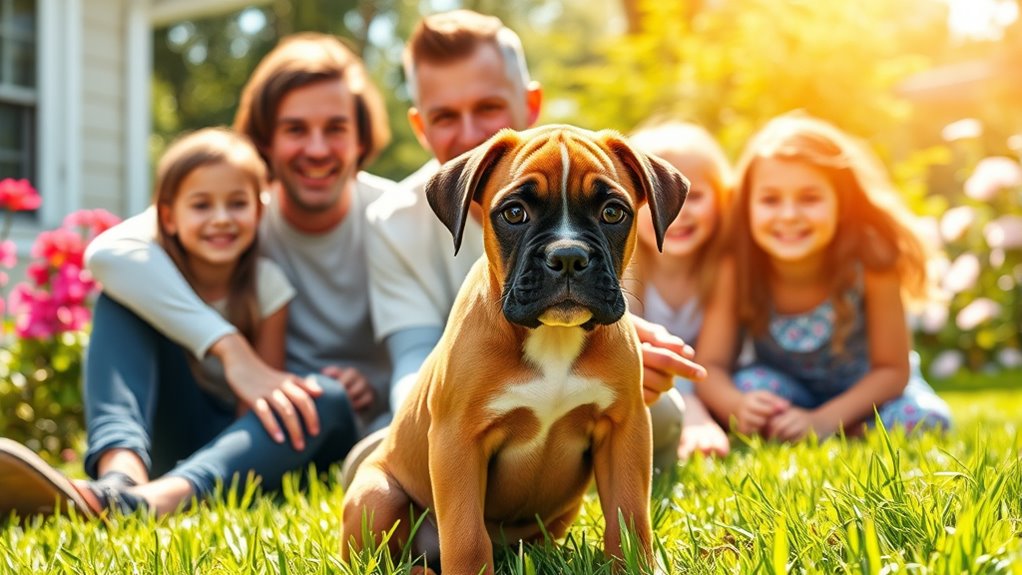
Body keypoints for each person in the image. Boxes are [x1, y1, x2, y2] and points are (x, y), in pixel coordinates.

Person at [0, 33, 392, 517]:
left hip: (301, 429)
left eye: (335, 127)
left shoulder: (398, 216)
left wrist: (376, 383)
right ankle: (120, 476)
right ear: (265, 140)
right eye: (295, 128)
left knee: (323, 396)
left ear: (362, 136)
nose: (316, 147)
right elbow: (109, 254)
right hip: (206, 418)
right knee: (124, 295)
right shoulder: (240, 207)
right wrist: (231, 350)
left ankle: (154, 502)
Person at [346, 10, 705, 482]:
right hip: (458, 403)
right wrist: (443, 407)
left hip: (582, 392)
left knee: (662, 409)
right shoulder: (393, 221)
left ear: (531, 103)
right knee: (367, 467)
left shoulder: (592, 167)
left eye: (489, 107)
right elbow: (412, 359)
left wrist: (611, 343)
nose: (473, 132)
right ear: (420, 127)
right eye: (446, 116)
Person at [694, 113, 951, 441]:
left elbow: (892, 372)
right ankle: (833, 431)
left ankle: (848, 428)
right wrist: (738, 405)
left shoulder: (872, 259)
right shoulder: (738, 267)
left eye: (809, 198)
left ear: (840, 204)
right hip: (790, 393)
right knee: (750, 385)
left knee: (926, 419)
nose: (789, 216)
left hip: (869, 395)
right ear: (747, 207)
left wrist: (825, 420)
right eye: (770, 200)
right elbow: (710, 368)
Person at [625, 121, 732, 459]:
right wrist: (690, 409)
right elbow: (626, 353)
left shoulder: (723, 268)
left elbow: (714, 362)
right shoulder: (628, 268)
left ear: (721, 199)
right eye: (658, 201)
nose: (676, 214)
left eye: (694, 196)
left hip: (717, 379)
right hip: (656, 382)